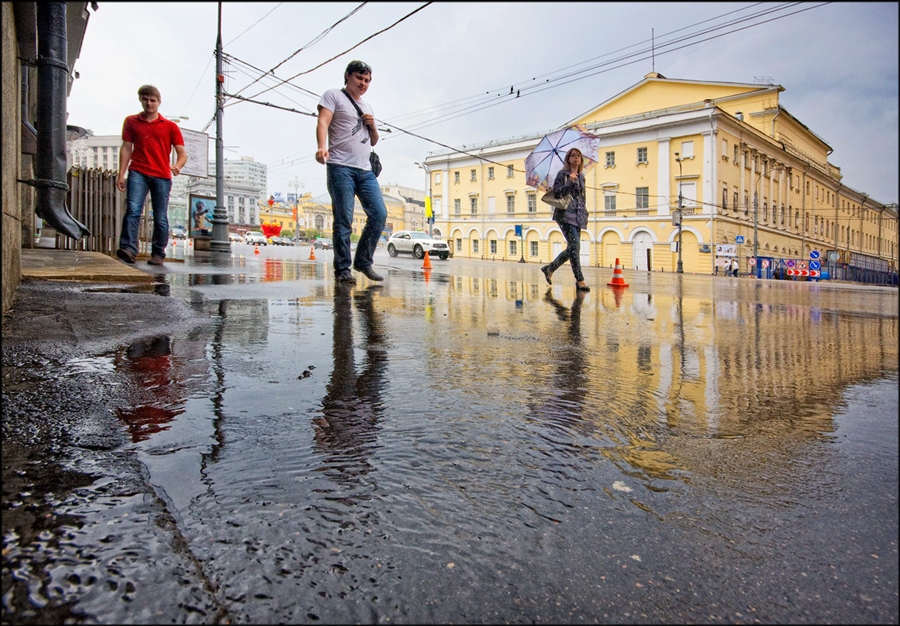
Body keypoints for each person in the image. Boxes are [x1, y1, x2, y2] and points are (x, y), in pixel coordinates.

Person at [315, 60, 387, 283]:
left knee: (379, 214)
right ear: (347, 76)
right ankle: (343, 270)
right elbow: (323, 122)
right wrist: (321, 147)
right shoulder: (333, 96)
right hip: (340, 167)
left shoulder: (368, 107)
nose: (363, 83)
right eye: (359, 78)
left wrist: (373, 125)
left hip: (365, 171)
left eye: (367, 80)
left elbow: (374, 141)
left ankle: (363, 262)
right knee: (344, 218)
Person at [116, 85, 187, 266]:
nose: (149, 103)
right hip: (137, 172)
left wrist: (177, 166)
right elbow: (126, 148)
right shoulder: (131, 122)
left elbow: (182, 153)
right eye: (145, 99)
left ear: (159, 102)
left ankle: (158, 253)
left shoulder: (170, 126)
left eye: (153, 100)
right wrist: (121, 174)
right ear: (141, 100)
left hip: (161, 175)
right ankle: (129, 250)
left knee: (160, 216)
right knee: (133, 210)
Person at [541, 148, 590, 291]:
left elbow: (581, 197)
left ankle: (550, 268)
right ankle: (580, 280)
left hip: (578, 215)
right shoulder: (562, 174)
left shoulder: (581, 177)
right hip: (564, 215)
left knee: (573, 248)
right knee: (575, 247)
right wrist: (569, 182)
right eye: (573, 155)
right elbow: (557, 193)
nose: (576, 158)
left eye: (579, 155)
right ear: (568, 159)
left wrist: (585, 213)